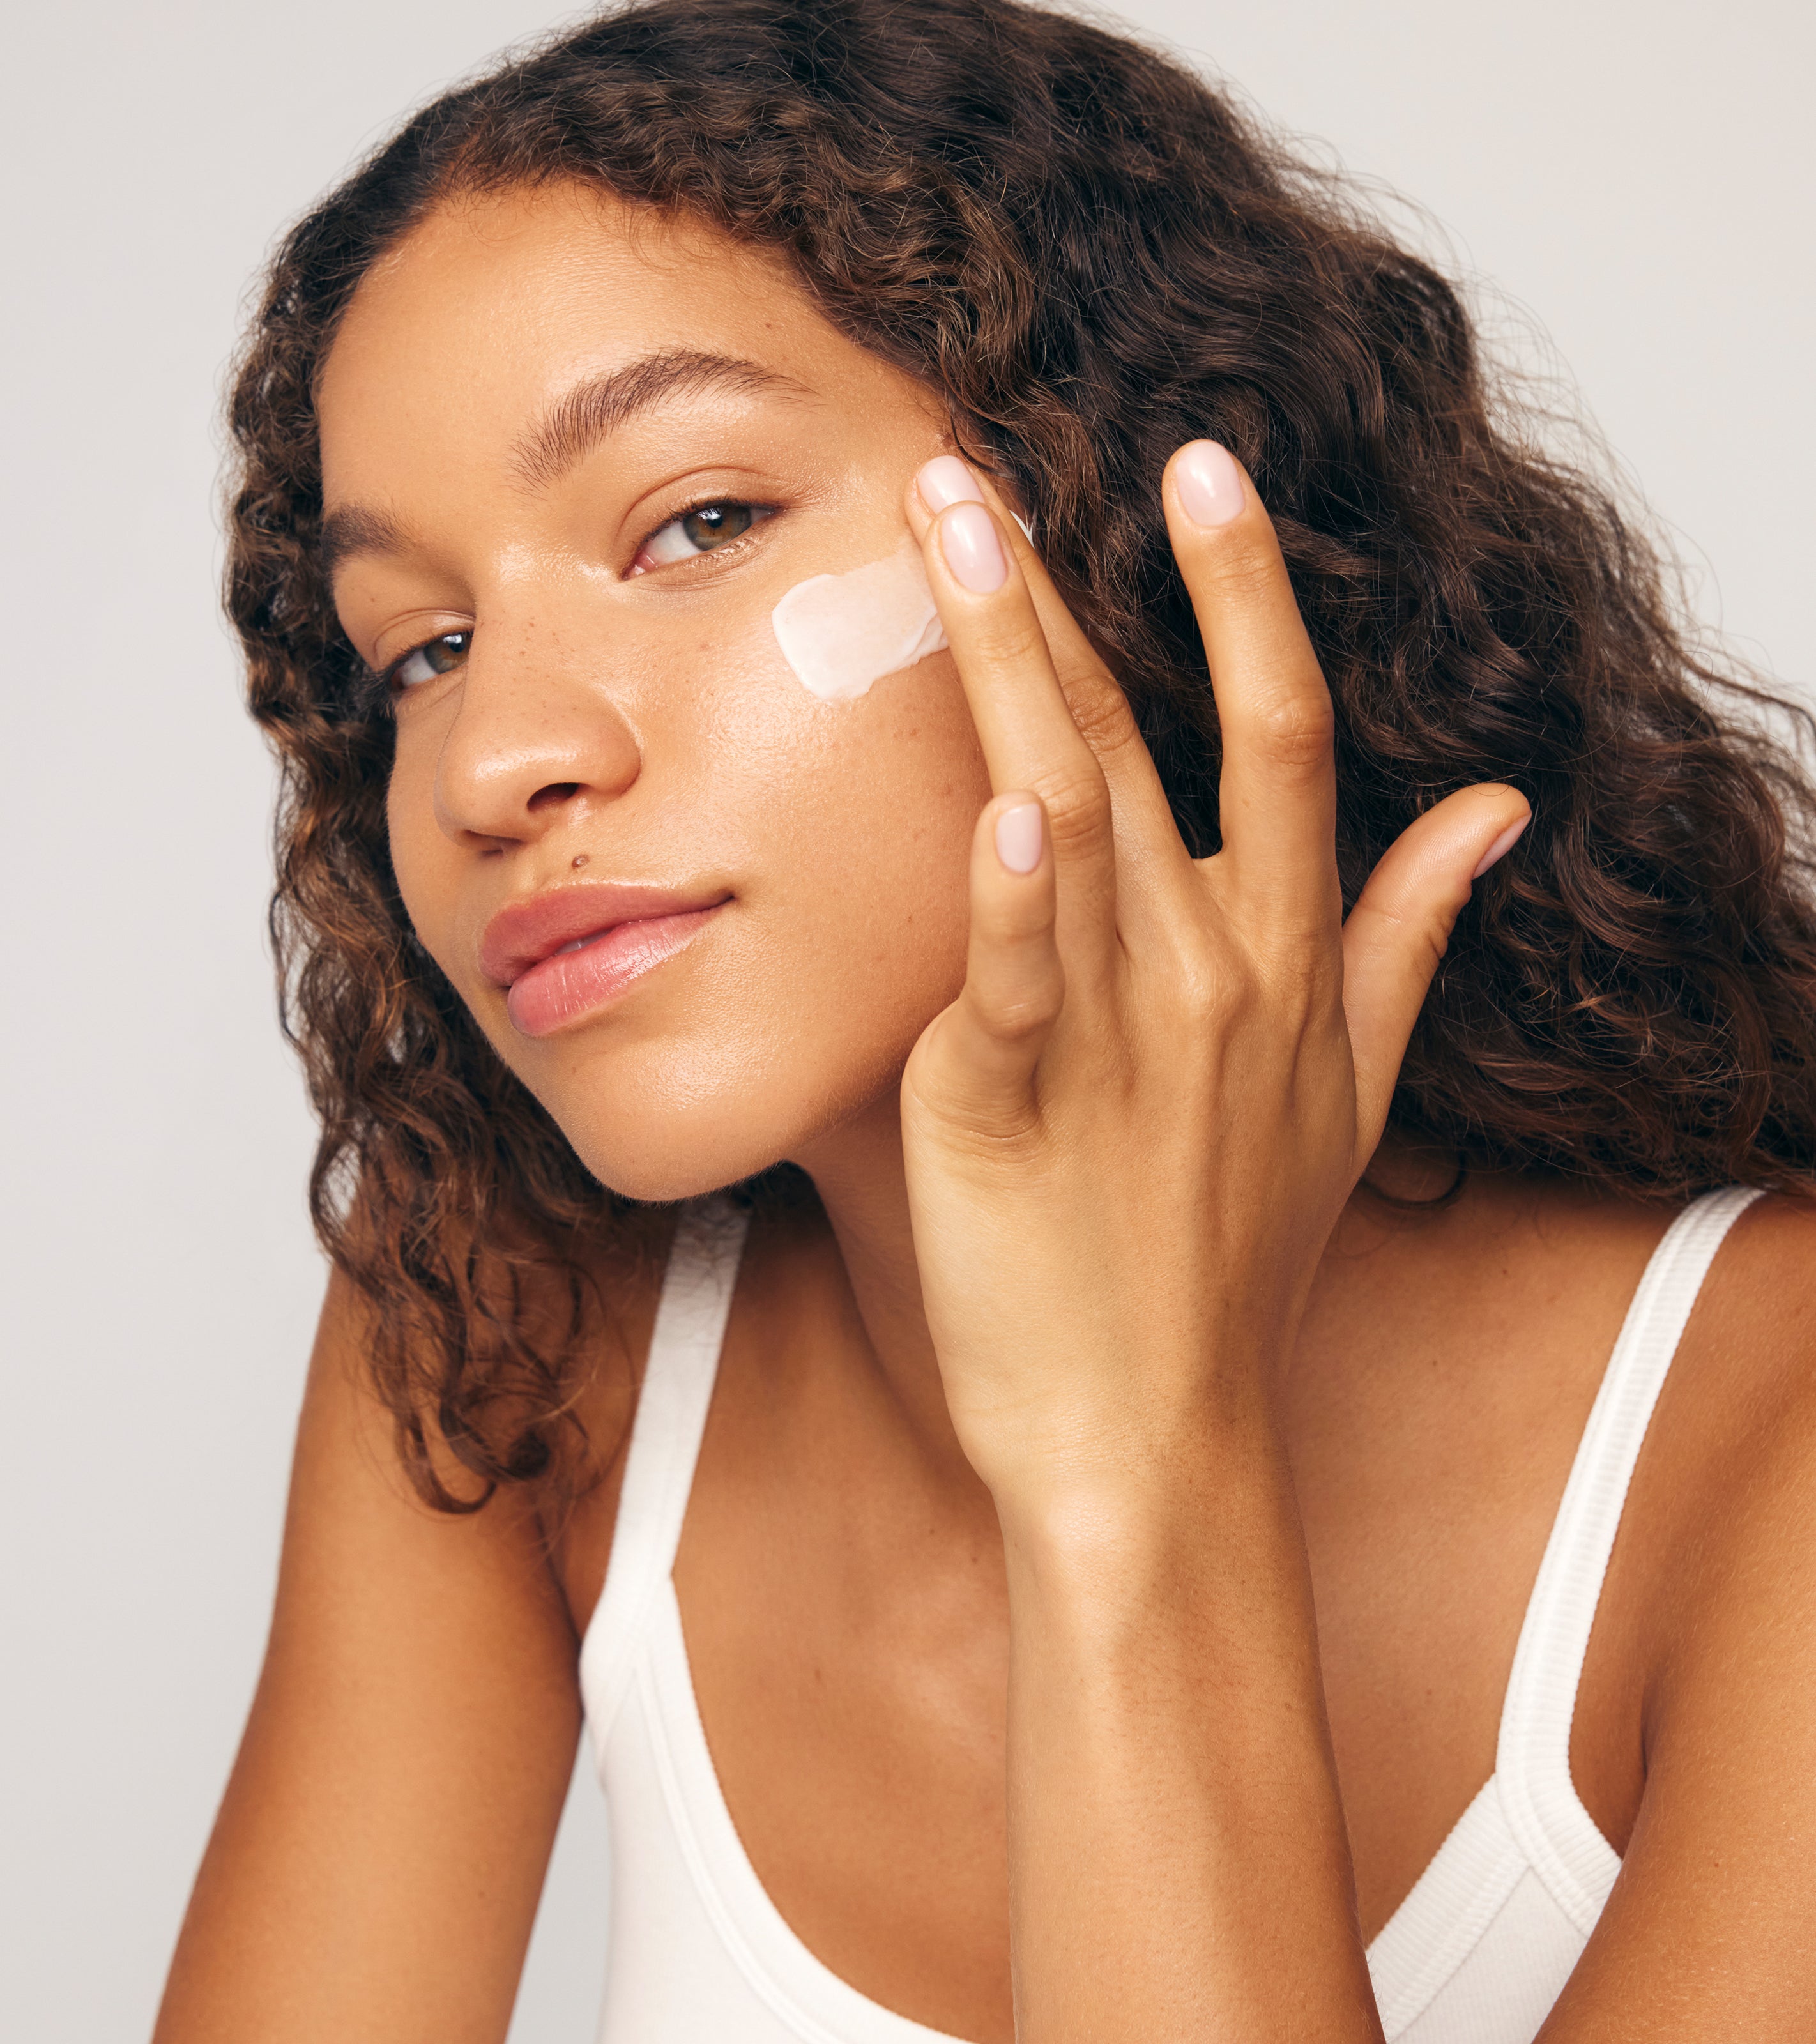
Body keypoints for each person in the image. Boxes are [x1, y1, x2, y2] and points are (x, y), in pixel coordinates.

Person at [155, 2, 1816, 2038]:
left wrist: (1134, 1469)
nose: (497, 755)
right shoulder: (514, 1336)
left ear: (1123, 527)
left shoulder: (1768, 1434)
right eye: (416, 648)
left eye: (695, 522)